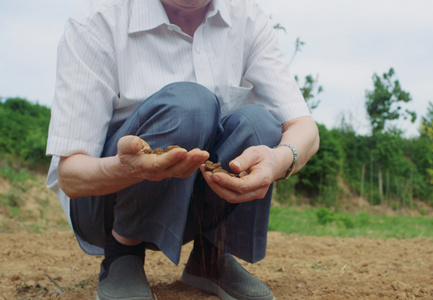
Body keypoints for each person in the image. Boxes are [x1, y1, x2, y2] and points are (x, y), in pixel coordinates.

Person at [45, 0, 319, 299]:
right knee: (190, 105)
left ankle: (211, 256)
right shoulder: (98, 20)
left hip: (192, 202)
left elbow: (305, 129)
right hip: (103, 203)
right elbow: (70, 176)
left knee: (261, 124)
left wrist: (280, 159)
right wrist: (127, 169)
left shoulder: (247, 17)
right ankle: (122, 254)